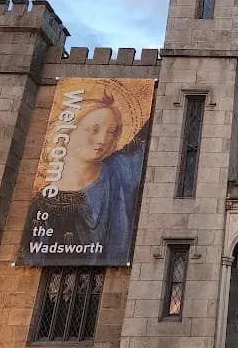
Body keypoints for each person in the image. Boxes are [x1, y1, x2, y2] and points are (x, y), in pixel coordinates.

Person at [17, 81, 151, 266]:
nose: (102, 139)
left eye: (112, 132)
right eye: (93, 130)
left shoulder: (119, 171)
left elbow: (145, 137)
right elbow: (30, 257)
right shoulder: (41, 205)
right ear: (68, 131)